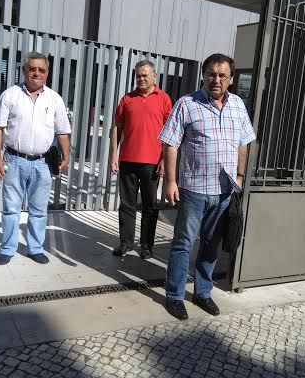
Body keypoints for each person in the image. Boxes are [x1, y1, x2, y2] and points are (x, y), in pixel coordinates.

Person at [159, 53, 256, 320]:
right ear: (203, 75)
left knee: (211, 245)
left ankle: (202, 292)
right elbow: (170, 143)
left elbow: (244, 142)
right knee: (183, 243)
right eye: (211, 74)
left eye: (222, 75)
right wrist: (170, 181)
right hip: (194, 189)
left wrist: (240, 176)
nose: (216, 79)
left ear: (231, 79)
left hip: (225, 190)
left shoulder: (238, 105)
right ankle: (174, 296)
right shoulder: (186, 104)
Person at [0, 51, 71, 265]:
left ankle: (35, 248)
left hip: (43, 164)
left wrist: (67, 155)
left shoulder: (55, 99)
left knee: (39, 211)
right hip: (14, 161)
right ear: (24, 70)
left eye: (41, 70)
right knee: (11, 209)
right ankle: (7, 249)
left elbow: (63, 131)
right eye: (32, 69)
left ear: (47, 73)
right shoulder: (10, 95)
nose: (36, 73)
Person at [110, 60, 172, 259]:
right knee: (126, 204)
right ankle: (126, 243)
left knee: (149, 206)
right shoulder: (127, 99)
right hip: (127, 159)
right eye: (138, 75)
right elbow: (117, 127)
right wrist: (114, 155)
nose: (141, 78)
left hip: (152, 163)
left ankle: (146, 245)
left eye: (145, 75)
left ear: (154, 76)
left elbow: (169, 133)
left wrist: (164, 160)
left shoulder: (164, 99)